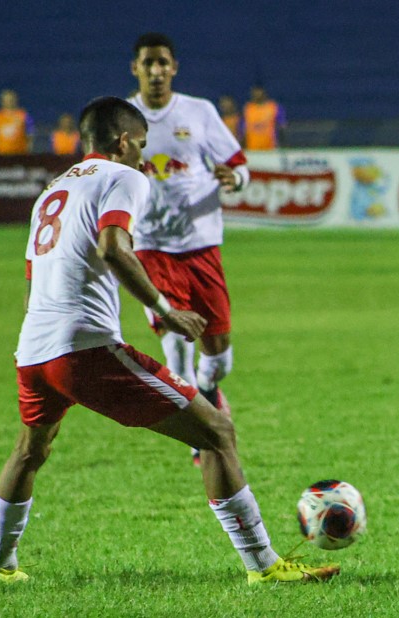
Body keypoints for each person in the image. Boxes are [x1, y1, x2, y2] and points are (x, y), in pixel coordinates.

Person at [0, 96, 338, 585]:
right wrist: (164, 309)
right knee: (216, 432)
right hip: (82, 349)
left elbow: (32, 275)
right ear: (124, 141)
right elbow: (114, 246)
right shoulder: (123, 177)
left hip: (34, 349)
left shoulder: (52, 190)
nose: (143, 157)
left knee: (29, 450)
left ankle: (0, 567)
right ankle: (264, 566)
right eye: (142, 146)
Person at [128, 33, 249, 466]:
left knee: (219, 357)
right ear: (135, 69)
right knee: (177, 342)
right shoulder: (125, 119)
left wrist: (238, 180)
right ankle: (200, 432)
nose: (156, 71)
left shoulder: (199, 112)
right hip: (151, 248)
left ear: (174, 68)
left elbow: (237, 164)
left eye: (163, 63)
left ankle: (209, 390)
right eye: (148, 63)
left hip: (202, 247)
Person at [0, 89, 34, 155]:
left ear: (16, 100)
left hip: (20, 154)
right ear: (2, 101)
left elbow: (30, 136)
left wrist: (28, 153)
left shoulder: (24, 115)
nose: (9, 102)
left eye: (11, 100)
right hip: (1, 155)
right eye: (6, 100)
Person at [243, 85, 286, 150]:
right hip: (252, 149)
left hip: (270, 149)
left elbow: (281, 127)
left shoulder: (273, 107)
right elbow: (244, 130)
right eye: (254, 93)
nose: (257, 95)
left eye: (259, 92)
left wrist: (281, 144)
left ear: (264, 93)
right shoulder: (248, 108)